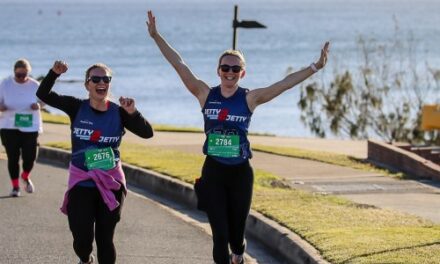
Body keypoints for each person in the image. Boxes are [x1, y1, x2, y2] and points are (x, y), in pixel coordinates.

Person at [146, 10, 329, 264]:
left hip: (240, 173)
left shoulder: (249, 98)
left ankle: (239, 253)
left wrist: (315, 67)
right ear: (218, 70)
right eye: (225, 68)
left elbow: (284, 84)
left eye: (235, 68)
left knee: (235, 237)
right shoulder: (203, 93)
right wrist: (156, 36)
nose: (229, 72)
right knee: (219, 236)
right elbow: (179, 64)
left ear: (242, 73)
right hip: (213, 172)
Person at [36, 61, 154, 264]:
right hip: (82, 180)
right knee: (82, 238)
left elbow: (147, 133)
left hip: (111, 182)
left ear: (109, 83)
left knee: (105, 238)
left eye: (106, 79)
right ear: (87, 84)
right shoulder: (76, 107)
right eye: (96, 79)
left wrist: (133, 112)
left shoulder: (119, 112)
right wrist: (54, 74)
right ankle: (85, 259)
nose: (101, 82)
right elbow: (44, 95)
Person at [0, 58, 42, 197]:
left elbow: (44, 101)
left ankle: (25, 176)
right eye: (19, 75)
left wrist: (39, 106)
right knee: (13, 158)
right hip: (9, 126)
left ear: (28, 73)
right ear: (14, 73)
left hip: (30, 126)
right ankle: (15, 187)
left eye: (24, 75)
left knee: (30, 157)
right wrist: (1, 107)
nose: (22, 78)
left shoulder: (35, 85)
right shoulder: (5, 84)